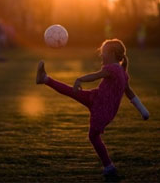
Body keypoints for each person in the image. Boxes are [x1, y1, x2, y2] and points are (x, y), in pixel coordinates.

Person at [36, 39, 149, 177]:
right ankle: (45, 79)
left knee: (93, 136)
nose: (101, 55)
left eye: (104, 53)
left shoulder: (112, 69)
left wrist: (80, 79)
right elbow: (130, 93)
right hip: (97, 99)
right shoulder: (123, 73)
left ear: (112, 53)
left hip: (101, 109)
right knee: (71, 92)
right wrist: (143, 111)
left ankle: (109, 166)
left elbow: (95, 76)